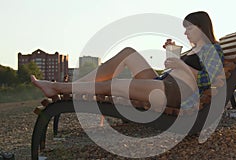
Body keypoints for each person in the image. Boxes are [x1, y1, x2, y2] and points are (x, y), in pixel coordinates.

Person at [31, 11, 224, 110]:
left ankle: (58, 87)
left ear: (201, 27)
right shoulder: (194, 49)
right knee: (128, 52)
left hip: (177, 92)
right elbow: (178, 69)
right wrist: (171, 54)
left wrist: (181, 64)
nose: (185, 32)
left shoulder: (213, 49)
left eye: (189, 28)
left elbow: (211, 80)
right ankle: (74, 86)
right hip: (164, 82)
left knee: (113, 85)